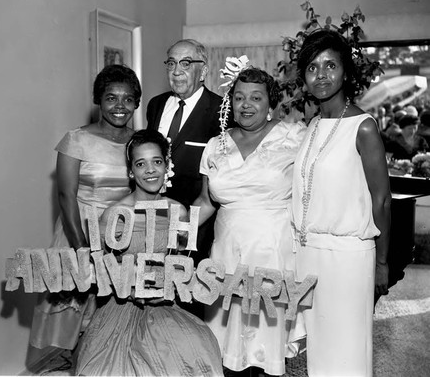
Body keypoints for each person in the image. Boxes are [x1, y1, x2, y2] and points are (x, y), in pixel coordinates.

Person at [74, 129, 223, 376]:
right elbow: (97, 271)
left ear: (167, 166)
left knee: (194, 353)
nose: (150, 170)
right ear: (131, 171)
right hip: (120, 308)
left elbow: (179, 266)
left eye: (157, 161)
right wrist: (128, 287)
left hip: (163, 307)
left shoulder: (179, 212)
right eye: (141, 164)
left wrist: (169, 287)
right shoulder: (114, 214)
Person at [193, 66, 307, 376]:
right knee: (225, 349)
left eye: (256, 98)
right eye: (239, 97)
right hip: (226, 255)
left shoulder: (295, 136)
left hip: (273, 253)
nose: (246, 104)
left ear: (271, 106)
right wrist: (169, 229)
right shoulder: (216, 144)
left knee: (265, 349)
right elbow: (206, 202)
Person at [292, 29, 391, 377]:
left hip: (348, 257)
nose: (321, 75)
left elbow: (381, 200)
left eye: (330, 65)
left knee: (347, 352)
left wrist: (382, 263)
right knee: (319, 355)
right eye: (312, 68)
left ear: (345, 72)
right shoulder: (313, 124)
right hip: (310, 253)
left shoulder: (363, 127)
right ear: (304, 77)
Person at [29, 64, 140, 350]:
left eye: (128, 98)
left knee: (114, 324)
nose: (120, 106)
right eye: (111, 97)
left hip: (121, 240)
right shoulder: (76, 139)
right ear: (98, 101)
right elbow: (66, 196)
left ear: (136, 103)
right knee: (79, 324)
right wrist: (84, 251)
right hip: (78, 234)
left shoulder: (139, 142)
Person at [146, 39, 222, 264]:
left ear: (203, 71)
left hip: (198, 226)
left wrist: (187, 226)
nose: (176, 71)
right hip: (155, 220)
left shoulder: (220, 111)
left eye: (186, 63)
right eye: (171, 64)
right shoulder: (156, 105)